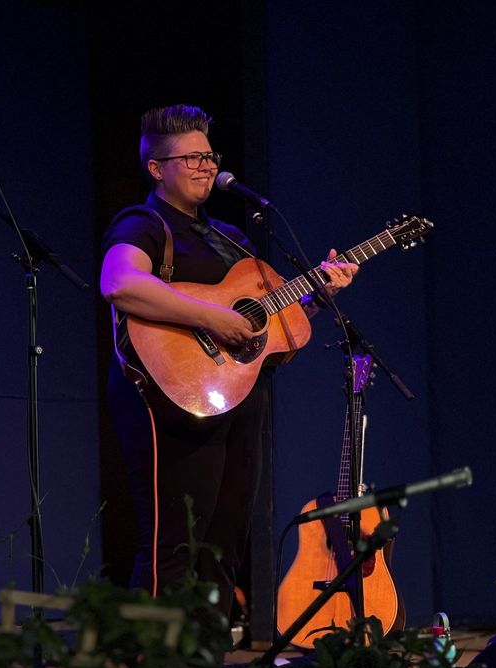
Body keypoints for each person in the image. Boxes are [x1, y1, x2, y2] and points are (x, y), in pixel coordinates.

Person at [100, 103, 358, 623]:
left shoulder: (229, 238)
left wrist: (316, 291)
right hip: (165, 397)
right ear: (157, 168)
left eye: (209, 155)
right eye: (191, 157)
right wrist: (213, 319)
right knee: (175, 537)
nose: (205, 166)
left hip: (236, 398)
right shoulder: (144, 222)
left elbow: (266, 322)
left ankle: (209, 666)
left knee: (226, 534)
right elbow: (121, 283)